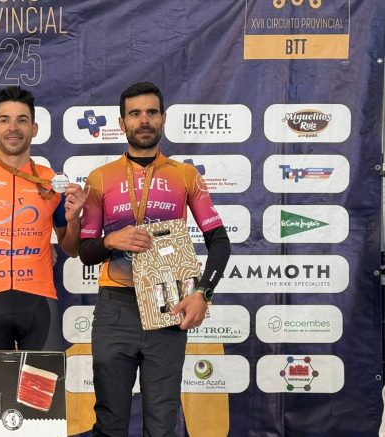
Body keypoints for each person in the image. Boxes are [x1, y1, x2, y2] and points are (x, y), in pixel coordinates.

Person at [78, 81, 231, 437]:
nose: (143, 120)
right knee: (110, 423)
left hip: (168, 306)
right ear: (122, 123)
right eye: (135, 114)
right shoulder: (100, 178)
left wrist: (203, 293)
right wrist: (110, 240)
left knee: (162, 425)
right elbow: (85, 252)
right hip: (115, 309)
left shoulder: (186, 175)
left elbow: (219, 242)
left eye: (150, 112)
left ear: (163, 118)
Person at [0, 86, 86, 408]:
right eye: (4, 120)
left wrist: (74, 220)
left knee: (42, 413)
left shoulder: (52, 181)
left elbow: (71, 248)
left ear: (34, 128)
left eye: (22, 120)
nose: (13, 128)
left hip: (39, 306)